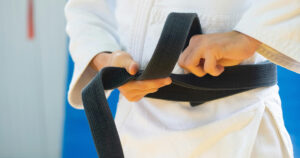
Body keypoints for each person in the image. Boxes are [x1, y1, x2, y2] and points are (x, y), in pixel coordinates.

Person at [65, 0, 300, 157]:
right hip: (135, 121)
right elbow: (87, 6)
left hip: (239, 121)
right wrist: (103, 56)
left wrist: (249, 37)